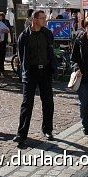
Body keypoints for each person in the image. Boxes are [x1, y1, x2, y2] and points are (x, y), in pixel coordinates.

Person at [13, 10, 57, 148]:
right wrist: (24, 73)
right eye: (43, 18)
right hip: (31, 72)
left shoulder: (47, 33)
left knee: (48, 101)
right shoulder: (24, 36)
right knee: (27, 103)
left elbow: (51, 51)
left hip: (45, 71)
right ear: (35, 20)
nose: (45, 20)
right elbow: (21, 56)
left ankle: (47, 129)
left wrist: (53, 68)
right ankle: (22, 134)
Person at [0, 12, 10, 76]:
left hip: (3, 40)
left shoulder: (6, 22)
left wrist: (4, 31)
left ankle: (2, 68)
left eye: (0, 16)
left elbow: (8, 29)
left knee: (2, 54)